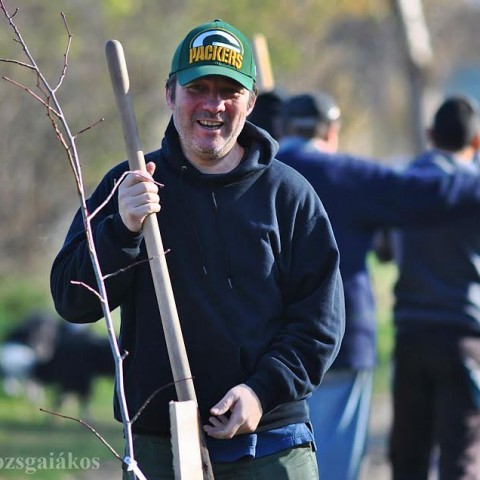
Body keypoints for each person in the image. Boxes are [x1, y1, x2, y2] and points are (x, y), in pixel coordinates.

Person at [50, 19, 345, 480]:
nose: (213, 104)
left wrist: (260, 392)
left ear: (250, 102)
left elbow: (320, 323)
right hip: (160, 446)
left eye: (228, 91)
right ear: (171, 94)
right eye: (198, 88)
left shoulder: (289, 195)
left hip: (269, 444)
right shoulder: (128, 185)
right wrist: (122, 230)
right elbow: (73, 301)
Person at [273, 91, 480, 480]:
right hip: (340, 338)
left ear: (283, 127)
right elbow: (425, 195)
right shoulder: (347, 175)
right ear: (332, 132)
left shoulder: (259, 169)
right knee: (334, 465)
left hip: (267, 346)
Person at [389, 95, 480, 479]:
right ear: (475, 143)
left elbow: (383, 247)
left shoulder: (402, 183)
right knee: (461, 456)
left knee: (409, 455)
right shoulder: (473, 189)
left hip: (411, 333)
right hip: (463, 335)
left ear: (430, 135)